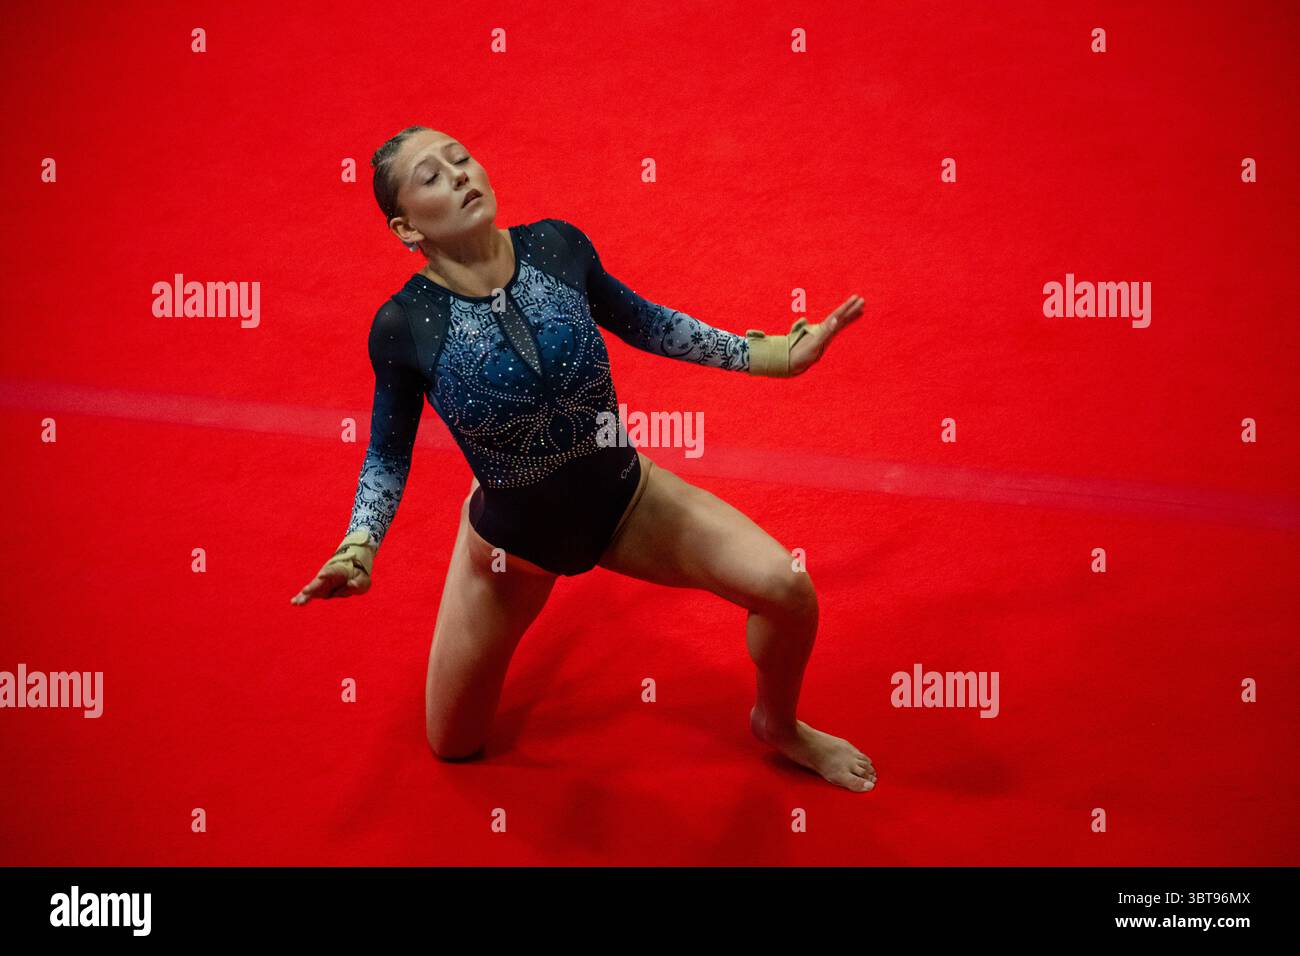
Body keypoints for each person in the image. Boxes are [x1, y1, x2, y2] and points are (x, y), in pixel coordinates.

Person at [291, 126, 875, 792]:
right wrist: (357, 548)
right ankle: (472, 530)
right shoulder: (404, 326)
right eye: (431, 176)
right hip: (510, 548)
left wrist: (772, 356)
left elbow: (649, 323)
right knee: (453, 745)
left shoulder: (555, 247)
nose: (458, 175)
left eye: (461, 158)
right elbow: (387, 454)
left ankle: (778, 725)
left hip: (624, 501)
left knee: (786, 589)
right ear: (405, 227)